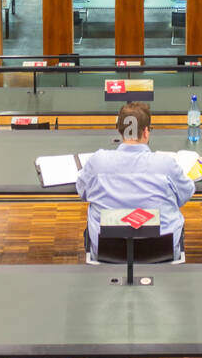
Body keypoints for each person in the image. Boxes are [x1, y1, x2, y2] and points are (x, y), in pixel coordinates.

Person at [76, 102, 194, 260]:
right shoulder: (167, 164)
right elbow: (186, 193)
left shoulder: (97, 162)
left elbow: (82, 192)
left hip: (108, 251)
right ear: (146, 132)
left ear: (120, 131)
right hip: (161, 251)